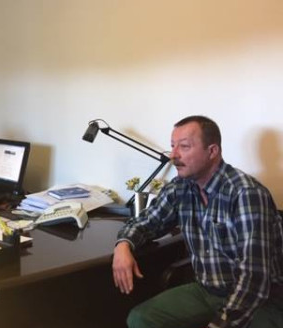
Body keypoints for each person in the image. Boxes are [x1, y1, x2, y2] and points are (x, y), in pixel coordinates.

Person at [113, 115, 283, 328]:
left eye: (184, 146)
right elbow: (147, 222)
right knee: (141, 319)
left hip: (260, 299)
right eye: (173, 146)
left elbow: (254, 278)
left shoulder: (246, 193)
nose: (173, 155)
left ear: (212, 151)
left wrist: (219, 324)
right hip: (207, 291)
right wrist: (123, 245)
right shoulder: (180, 187)